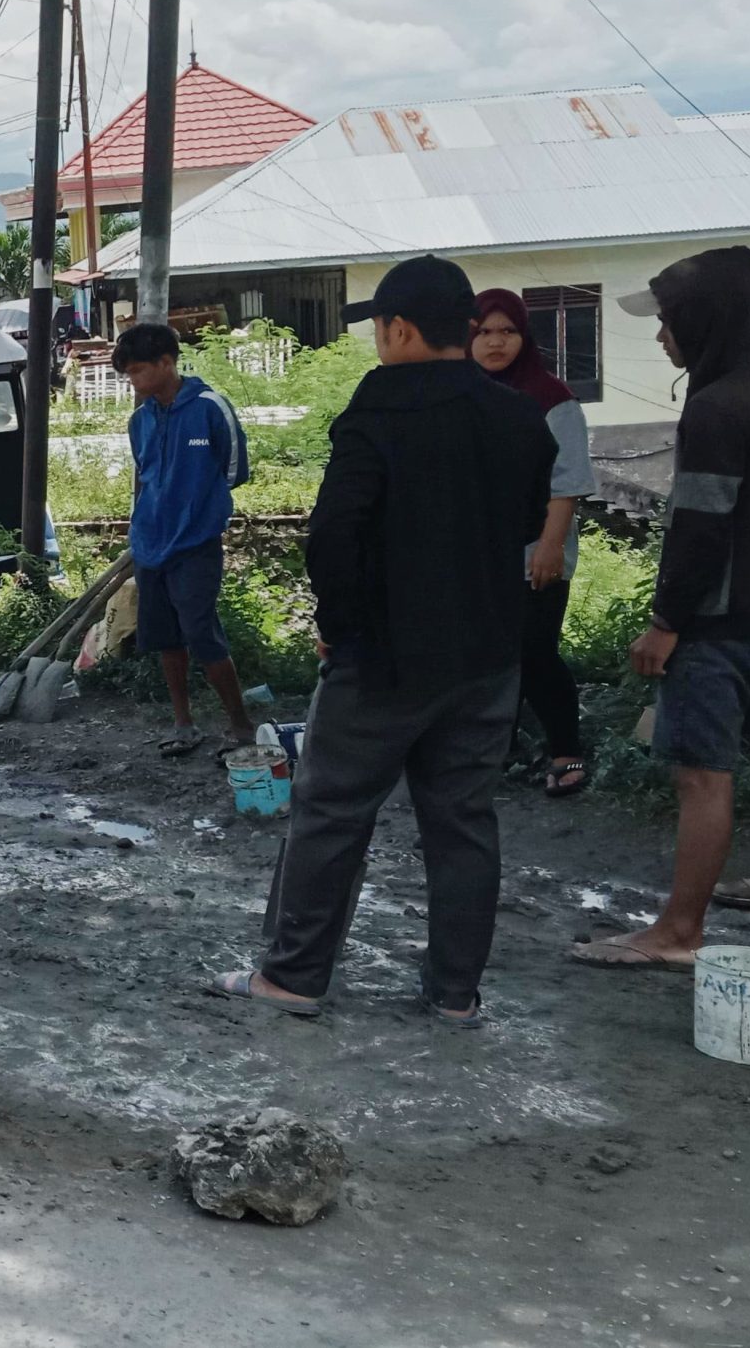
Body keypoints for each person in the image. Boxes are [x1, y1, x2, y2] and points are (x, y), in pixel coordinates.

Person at [216, 256, 555, 1024]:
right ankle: (456, 995)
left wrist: (340, 631)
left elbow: (334, 534)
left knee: (333, 811)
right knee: (464, 822)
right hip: (489, 657)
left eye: (378, 326)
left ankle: (295, 978)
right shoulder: (518, 417)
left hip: (385, 658)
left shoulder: (381, 408)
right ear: (467, 330)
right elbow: (528, 525)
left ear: (400, 329)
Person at [573, 246, 750, 971]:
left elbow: (700, 527)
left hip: (716, 622)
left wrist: (665, 623)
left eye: (668, 321)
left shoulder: (718, 408)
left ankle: (678, 933)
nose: (660, 337)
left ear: (702, 320)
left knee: (701, 774)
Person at [470, 289, 600, 797]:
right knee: (485, 653)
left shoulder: (552, 399)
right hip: (478, 555)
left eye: (507, 331)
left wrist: (550, 546)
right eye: (483, 332)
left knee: (534, 650)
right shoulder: (462, 393)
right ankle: (500, 746)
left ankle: (567, 749)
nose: (495, 342)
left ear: (524, 337)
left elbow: (568, 480)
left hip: (534, 551)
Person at [114, 323, 255, 757]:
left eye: (139, 371)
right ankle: (184, 724)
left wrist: (199, 509)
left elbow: (236, 469)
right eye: (129, 375)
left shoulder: (210, 407)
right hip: (151, 545)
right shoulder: (140, 420)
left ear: (166, 363)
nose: (134, 382)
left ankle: (241, 727)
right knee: (165, 638)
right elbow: (145, 474)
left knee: (201, 632)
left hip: (195, 544)